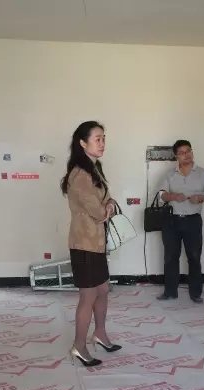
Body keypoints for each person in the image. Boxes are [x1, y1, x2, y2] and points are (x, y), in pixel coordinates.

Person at [60, 121, 122, 367]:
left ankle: (100, 334)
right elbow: (99, 211)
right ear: (83, 143)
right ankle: (79, 345)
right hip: (84, 244)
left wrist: (109, 204)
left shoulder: (94, 169)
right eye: (97, 139)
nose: (102, 143)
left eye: (104, 138)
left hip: (96, 243)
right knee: (88, 296)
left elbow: (108, 201)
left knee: (103, 290)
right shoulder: (81, 175)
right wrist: (108, 206)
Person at [158, 140, 204, 303]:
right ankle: (170, 292)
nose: (187, 155)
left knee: (194, 256)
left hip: (193, 220)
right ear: (176, 156)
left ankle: (195, 293)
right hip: (172, 221)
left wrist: (201, 197)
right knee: (171, 257)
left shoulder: (203, 174)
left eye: (189, 151)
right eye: (182, 152)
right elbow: (161, 195)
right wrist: (174, 196)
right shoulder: (170, 174)